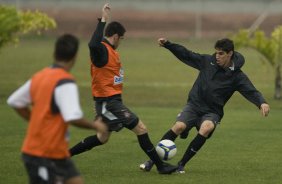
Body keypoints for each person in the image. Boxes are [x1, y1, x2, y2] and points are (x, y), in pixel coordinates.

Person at [69, 3, 178, 174]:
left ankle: (63, 156)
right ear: (115, 36)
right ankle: (161, 166)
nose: (121, 42)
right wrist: (103, 19)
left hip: (110, 101)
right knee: (141, 128)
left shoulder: (111, 51)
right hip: (108, 102)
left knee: (102, 137)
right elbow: (92, 44)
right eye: (122, 38)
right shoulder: (102, 50)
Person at [140, 38, 270, 174]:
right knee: (179, 127)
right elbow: (187, 54)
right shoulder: (207, 61)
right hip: (194, 105)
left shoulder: (237, 76)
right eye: (216, 53)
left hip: (213, 111)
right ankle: (152, 161)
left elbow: (250, 90)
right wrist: (168, 45)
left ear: (230, 53)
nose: (217, 56)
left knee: (206, 128)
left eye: (221, 54)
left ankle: (181, 164)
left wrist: (262, 102)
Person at [7, 34, 97, 184]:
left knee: (76, 181)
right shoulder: (65, 81)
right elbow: (72, 117)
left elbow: (14, 101)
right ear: (74, 57)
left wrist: (34, 120)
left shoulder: (39, 76)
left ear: (54, 53)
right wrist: (95, 125)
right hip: (43, 153)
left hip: (57, 153)